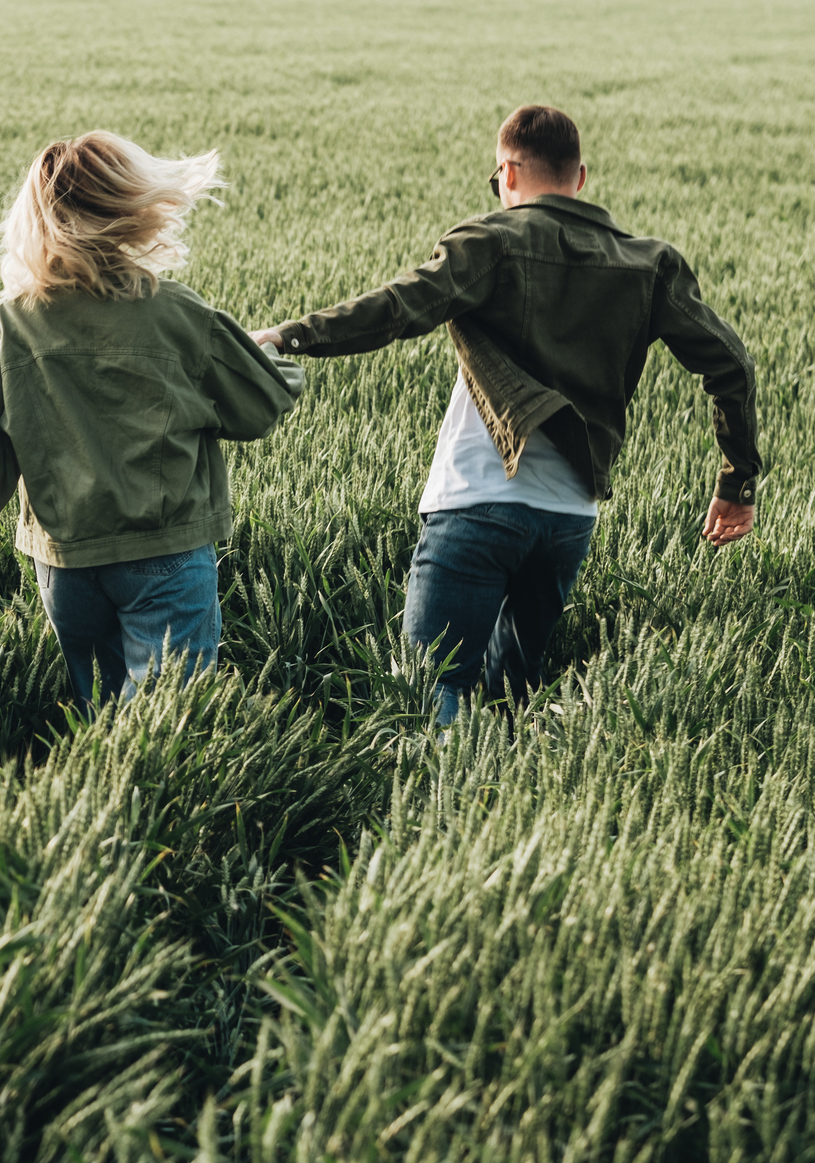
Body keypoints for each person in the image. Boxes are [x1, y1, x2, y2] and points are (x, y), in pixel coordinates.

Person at [250, 104, 762, 727]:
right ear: (579, 179)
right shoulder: (650, 265)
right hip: (570, 519)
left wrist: (288, 336)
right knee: (512, 696)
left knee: (427, 688)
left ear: (507, 173)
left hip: (478, 501)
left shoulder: (491, 243)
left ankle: (429, 814)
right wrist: (736, 485)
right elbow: (731, 365)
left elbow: (394, 308)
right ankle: (498, 805)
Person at [0, 131, 304, 707]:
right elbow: (260, 406)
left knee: (104, 722)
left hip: (66, 569)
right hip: (165, 560)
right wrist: (265, 354)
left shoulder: (8, 327)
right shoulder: (176, 313)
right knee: (169, 731)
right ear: (129, 212)